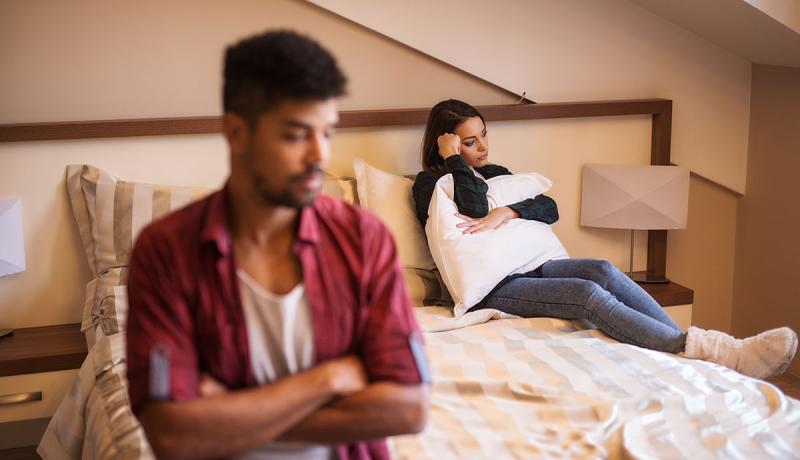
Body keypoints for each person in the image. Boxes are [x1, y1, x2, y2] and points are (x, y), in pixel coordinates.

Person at [126, 30, 429, 460]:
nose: (318, 155)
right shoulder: (165, 252)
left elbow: (409, 408)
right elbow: (173, 437)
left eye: (327, 133)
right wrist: (327, 380)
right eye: (295, 135)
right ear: (236, 132)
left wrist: (223, 415)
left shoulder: (363, 238)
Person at [412, 99, 797, 379]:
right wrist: (454, 162)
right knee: (586, 295)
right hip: (494, 287)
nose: (482, 148)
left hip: (533, 264)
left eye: (483, 136)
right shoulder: (430, 184)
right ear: (445, 144)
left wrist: (508, 211)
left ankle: (696, 346)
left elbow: (548, 207)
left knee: (603, 270)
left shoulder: (497, 172)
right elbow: (475, 207)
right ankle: (711, 352)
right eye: (469, 143)